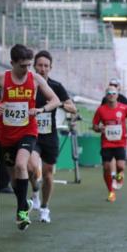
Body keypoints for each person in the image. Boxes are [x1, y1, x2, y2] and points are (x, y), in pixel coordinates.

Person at [0, 44, 60, 231]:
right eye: (23, 66)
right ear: (12, 63)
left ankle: (21, 212)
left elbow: (55, 100)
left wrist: (40, 109)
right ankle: (23, 202)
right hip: (5, 133)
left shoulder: (35, 79)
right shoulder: (2, 78)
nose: (27, 69)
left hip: (28, 130)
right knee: (14, 179)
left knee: (21, 164)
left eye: (29, 65)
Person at [29, 50, 77, 224]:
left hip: (49, 136)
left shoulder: (56, 87)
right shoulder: (27, 85)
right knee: (32, 166)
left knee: (48, 175)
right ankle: (34, 191)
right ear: (34, 66)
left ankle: (45, 208)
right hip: (31, 134)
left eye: (46, 66)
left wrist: (61, 103)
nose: (42, 69)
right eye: (40, 65)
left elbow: (73, 108)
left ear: (50, 68)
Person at [92, 87, 127, 202]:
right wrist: (99, 128)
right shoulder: (101, 110)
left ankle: (120, 176)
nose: (111, 95)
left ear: (117, 95)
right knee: (106, 168)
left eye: (113, 93)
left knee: (121, 166)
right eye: (109, 93)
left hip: (120, 142)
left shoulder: (124, 108)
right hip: (106, 143)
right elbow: (94, 125)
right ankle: (111, 191)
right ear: (106, 95)